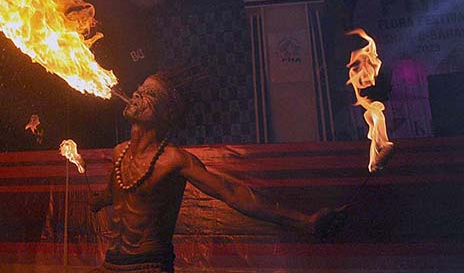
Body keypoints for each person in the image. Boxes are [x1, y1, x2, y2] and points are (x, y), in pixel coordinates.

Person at [90, 70, 346, 273]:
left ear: (167, 113)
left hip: (147, 266)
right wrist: (99, 200)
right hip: (110, 263)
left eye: (150, 94)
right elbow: (118, 192)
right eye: (139, 89)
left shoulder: (174, 160)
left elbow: (233, 193)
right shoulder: (119, 152)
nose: (137, 95)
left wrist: (303, 221)